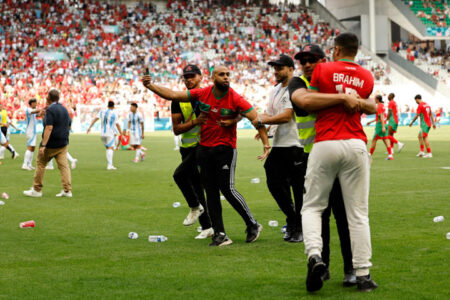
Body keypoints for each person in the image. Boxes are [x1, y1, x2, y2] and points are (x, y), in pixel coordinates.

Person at [142, 65, 270, 247]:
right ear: (212, 77)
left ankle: (253, 224)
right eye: (221, 74)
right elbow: (173, 95)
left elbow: (256, 119)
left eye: (228, 74)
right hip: (204, 149)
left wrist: (265, 144)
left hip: (225, 150)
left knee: (228, 189)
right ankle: (220, 234)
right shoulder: (203, 93)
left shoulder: (236, 98)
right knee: (210, 192)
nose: (226, 77)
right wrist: (151, 86)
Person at [291, 33, 378, 292]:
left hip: (326, 142)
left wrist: (340, 97)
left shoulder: (323, 70)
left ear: (336, 50)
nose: (309, 63)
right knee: (358, 213)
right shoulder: (367, 76)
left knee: (312, 208)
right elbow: (371, 105)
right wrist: (351, 99)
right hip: (356, 143)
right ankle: (362, 273)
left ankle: (315, 256)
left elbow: (310, 102)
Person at [289, 44, 356, 287]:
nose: (306, 64)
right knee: (320, 215)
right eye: (303, 60)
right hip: (310, 157)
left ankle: (350, 268)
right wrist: (340, 99)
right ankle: (322, 265)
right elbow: (305, 104)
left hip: (337, 155)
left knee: (342, 215)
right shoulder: (298, 84)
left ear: (324, 60)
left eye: (312, 59)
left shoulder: (332, 83)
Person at [254, 54, 303, 243]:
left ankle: (298, 227)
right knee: (274, 181)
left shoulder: (295, 87)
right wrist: (266, 125)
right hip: (280, 143)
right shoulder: (275, 90)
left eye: (280, 68)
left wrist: (264, 120)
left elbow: (286, 116)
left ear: (291, 69)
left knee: (298, 189)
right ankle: (293, 218)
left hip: (295, 144)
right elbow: (271, 113)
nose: (276, 71)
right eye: (275, 68)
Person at [171, 64, 213, 239]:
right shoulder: (178, 99)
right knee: (197, 186)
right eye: (186, 77)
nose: (189, 79)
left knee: (179, 175)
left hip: (203, 147)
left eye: (192, 76)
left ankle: (196, 208)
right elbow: (177, 129)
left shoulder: (209, 96)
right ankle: (208, 227)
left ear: (200, 77)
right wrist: (195, 122)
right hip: (187, 148)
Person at [23, 89, 72, 198]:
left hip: (51, 144)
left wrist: (43, 145)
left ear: (48, 98)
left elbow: (49, 127)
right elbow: (69, 125)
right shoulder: (64, 109)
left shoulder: (50, 110)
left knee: (40, 163)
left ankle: (37, 190)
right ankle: (67, 190)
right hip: (63, 143)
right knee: (64, 166)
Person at [87, 101, 122, 170]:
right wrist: (120, 133)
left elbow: (95, 119)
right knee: (111, 148)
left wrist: (89, 127)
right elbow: (117, 124)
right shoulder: (114, 113)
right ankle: (110, 165)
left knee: (108, 148)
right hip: (110, 133)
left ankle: (110, 164)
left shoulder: (102, 112)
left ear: (107, 105)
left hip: (102, 133)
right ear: (113, 106)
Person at [368, 95, 393, 161]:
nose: (374, 100)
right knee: (385, 140)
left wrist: (382, 127)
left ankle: (369, 155)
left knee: (374, 140)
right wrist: (370, 122)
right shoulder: (382, 105)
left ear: (377, 100)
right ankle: (390, 156)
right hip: (385, 124)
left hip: (380, 126)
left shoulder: (379, 107)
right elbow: (380, 117)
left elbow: (381, 117)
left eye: (375, 99)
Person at [22, 99, 41, 170]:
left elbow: (38, 114)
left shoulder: (32, 110)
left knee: (33, 148)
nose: (36, 104)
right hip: (30, 132)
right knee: (30, 147)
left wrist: (42, 112)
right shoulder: (28, 109)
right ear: (31, 103)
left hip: (33, 131)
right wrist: (43, 109)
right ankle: (24, 164)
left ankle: (29, 164)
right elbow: (36, 111)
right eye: (35, 103)